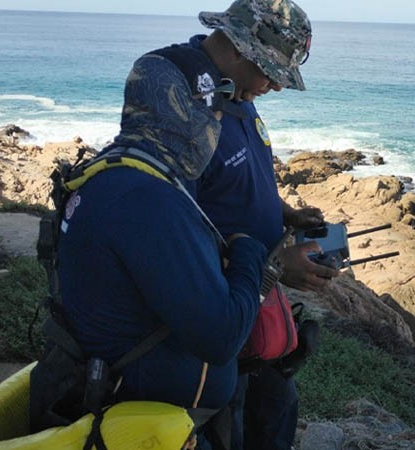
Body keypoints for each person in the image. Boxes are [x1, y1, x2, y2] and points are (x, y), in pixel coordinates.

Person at [41, 23, 269, 448]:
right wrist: (249, 255)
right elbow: (220, 339)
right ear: (189, 117)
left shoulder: (117, 168)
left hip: (122, 382)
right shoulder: (145, 199)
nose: (217, 127)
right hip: (144, 418)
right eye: (214, 114)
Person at [190, 1, 342, 449]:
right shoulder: (188, 115)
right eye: (271, 71)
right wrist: (275, 265)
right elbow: (180, 235)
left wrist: (286, 214)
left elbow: (241, 179)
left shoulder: (237, 97)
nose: (275, 85)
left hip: (260, 304)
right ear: (238, 47)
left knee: (275, 410)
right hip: (223, 309)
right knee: (228, 425)